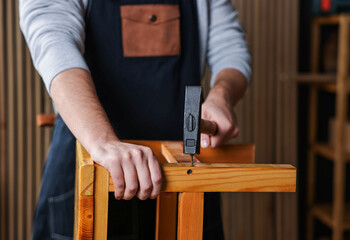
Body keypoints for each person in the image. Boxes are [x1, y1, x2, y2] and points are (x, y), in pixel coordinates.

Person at [20, 0, 251, 239]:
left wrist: (221, 96)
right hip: (93, 161)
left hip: (183, 173)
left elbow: (231, 48)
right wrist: (103, 141)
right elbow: (54, 44)